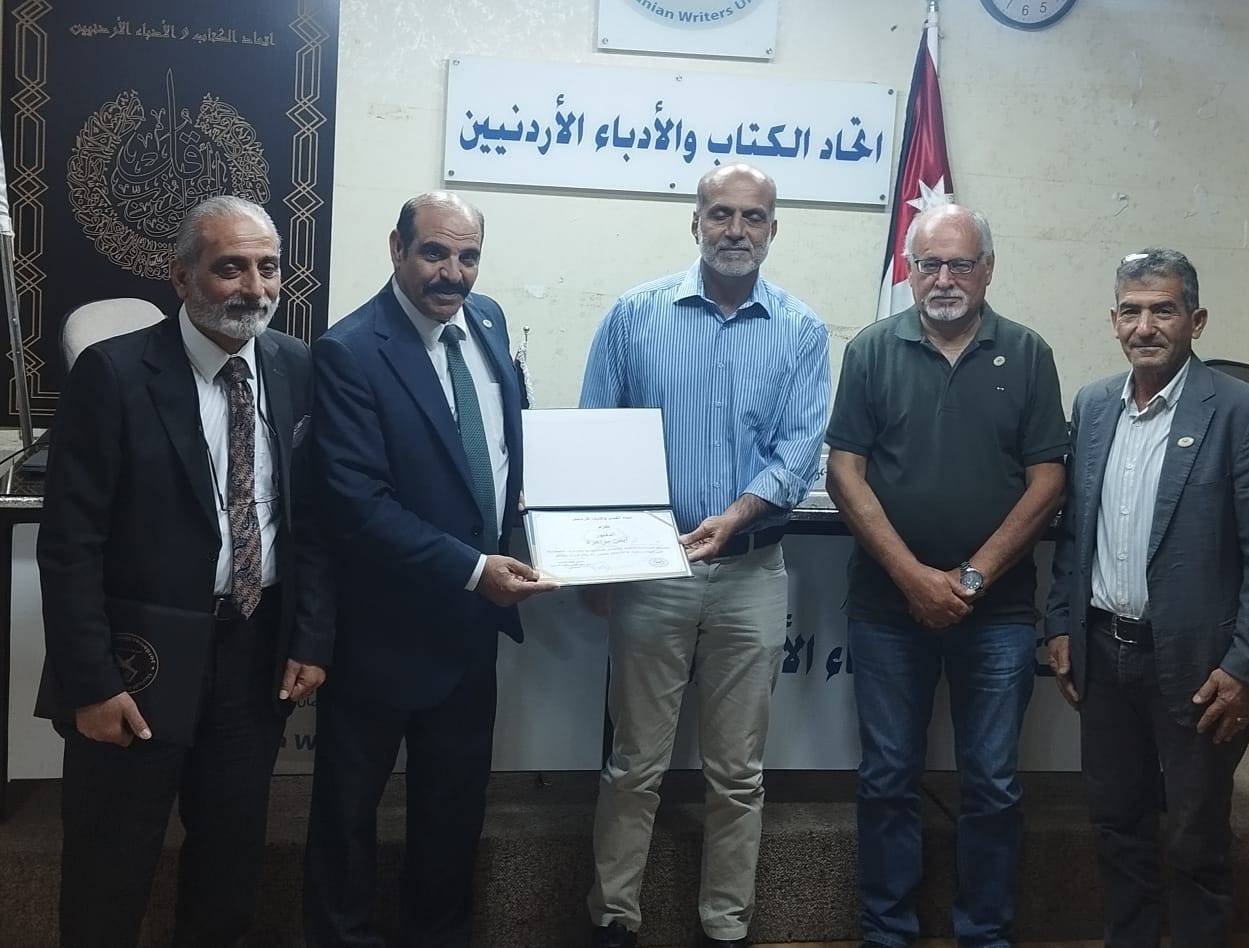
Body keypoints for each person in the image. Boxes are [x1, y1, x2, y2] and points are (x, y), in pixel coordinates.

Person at [36, 195, 331, 946]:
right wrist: (91, 683)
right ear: (180, 276)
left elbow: (311, 522)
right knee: (109, 871)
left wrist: (310, 636)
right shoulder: (114, 374)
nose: (255, 288)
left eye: (268, 268)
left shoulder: (296, 367)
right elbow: (70, 546)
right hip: (139, 663)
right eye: (231, 268)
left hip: (253, 655)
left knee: (230, 866)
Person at [580, 163, 830, 948]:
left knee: (738, 773)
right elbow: (596, 439)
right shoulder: (634, 316)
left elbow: (798, 452)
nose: (735, 230)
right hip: (652, 572)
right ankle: (614, 919)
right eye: (720, 213)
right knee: (634, 764)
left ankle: (726, 926)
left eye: (752, 217)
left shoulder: (801, 330)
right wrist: (600, 564)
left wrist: (736, 516)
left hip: (752, 572)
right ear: (696, 222)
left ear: (773, 230)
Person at [304, 191, 556, 946]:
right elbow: (357, 504)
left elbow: (506, 453)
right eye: (435, 253)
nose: (453, 273)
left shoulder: (490, 323)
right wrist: (475, 568)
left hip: (470, 633)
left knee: (453, 814)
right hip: (381, 635)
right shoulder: (350, 350)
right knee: (347, 818)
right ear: (397, 248)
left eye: (468, 256)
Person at [825, 203, 1067, 948]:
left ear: (987, 269)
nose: (944, 278)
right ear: (909, 270)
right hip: (886, 609)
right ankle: (886, 931)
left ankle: (984, 933)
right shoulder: (871, 350)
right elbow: (844, 473)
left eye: (961, 263)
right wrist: (913, 579)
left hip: (997, 614)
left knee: (992, 782)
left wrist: (970, 578)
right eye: (929, 263)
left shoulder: (1028, 354)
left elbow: (1048, 481)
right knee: (886, 777)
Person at [1045, 248, 1249, 946]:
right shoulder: (1094, 406)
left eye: (1163, 309)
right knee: (1115, 823)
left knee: (1194, 837)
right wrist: (1061, 623)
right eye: (1131, 311)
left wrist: (1247, 667)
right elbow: (1076, 530)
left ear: (1196, 319)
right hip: (1104, 654)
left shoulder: (1246, 415)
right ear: (1113, 321)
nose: (1145, 326)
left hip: (1200, 667)